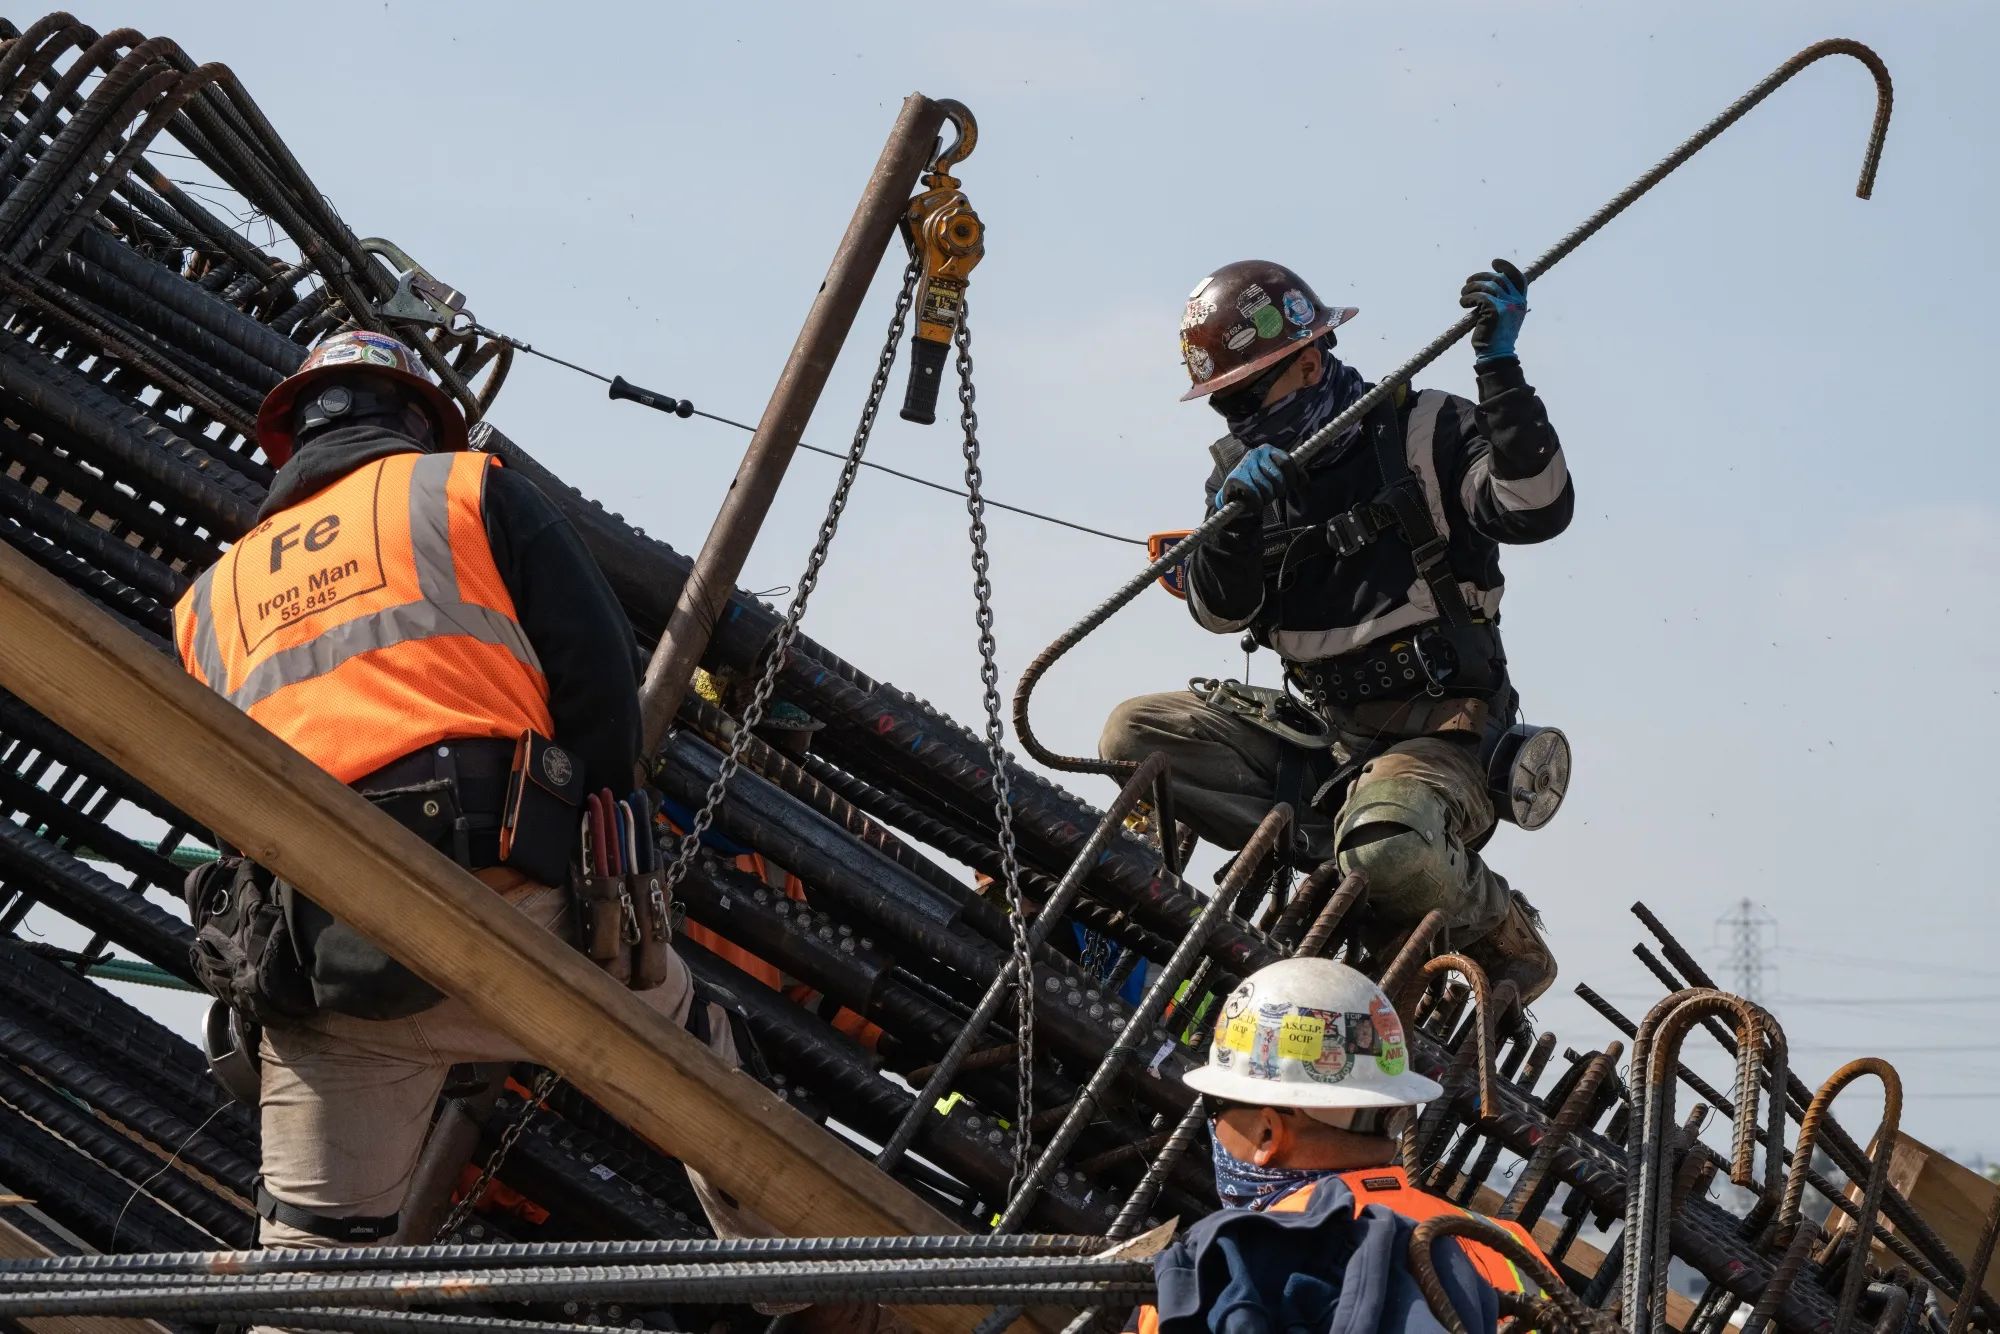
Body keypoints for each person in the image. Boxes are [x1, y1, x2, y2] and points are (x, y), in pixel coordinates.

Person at [171, 329, 738, 1249]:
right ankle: (807, 1292)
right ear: (417, 418)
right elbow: (596, 676)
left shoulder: (207, 602)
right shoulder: (465, 487)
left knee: (312, 1264)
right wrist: (602, 842)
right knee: (701, 1051)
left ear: (292, 441)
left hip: (330, 968)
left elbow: (218, 806)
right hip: (517, 909)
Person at [1100, 260, 1571, 1002]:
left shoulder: (1427, 431)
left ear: (1311, 360)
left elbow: (1536, 506)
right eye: (1225, 405)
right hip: (1324, 743)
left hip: (1442, 740)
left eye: (1249, 394)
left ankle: (1492, 921)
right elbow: (1222, 612)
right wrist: (1233, 522)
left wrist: (1501, 370)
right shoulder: (1243, 475)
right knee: (1134, 734)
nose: (1241, 418)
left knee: (1388, 845)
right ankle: (1349, 859)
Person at [1132, 958, 1551, 1334]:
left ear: (1267, 1134)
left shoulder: (1208, 1277)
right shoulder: (1513, 1250)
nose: (1212, 1123)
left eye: (1216, 1106)